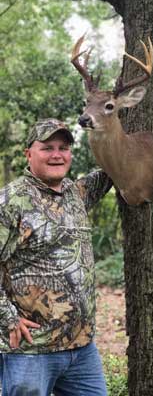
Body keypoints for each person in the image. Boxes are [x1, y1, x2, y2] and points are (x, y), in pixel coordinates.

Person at [0, 118, 112, 396]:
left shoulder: (77, 193)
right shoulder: (10, 201)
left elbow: (113, 168)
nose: (57, 155)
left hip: (81, 348)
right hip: (31, 351)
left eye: (63, 147)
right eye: (47, 147)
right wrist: (8, 319)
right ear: (29, 153)